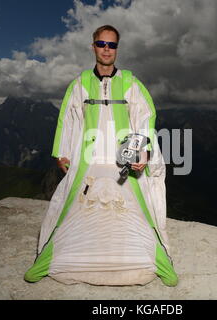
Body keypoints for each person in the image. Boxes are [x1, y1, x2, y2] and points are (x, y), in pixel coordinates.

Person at [24, 25, 178, 287]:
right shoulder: (80, 84)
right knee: (70, 207)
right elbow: (68, 118)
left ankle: (159, 259)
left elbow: (145, 118)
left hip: (124, 163)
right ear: (93, 46)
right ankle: (47, 259)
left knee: (142, 208)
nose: (107, 49)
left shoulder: (130, 82)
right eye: (102, 44)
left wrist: (142, 150)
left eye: (112, 45)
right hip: (89, 162)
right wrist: (62, 153)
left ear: (117, 49)